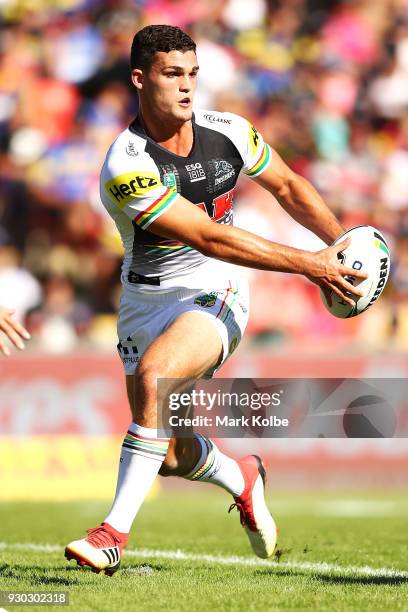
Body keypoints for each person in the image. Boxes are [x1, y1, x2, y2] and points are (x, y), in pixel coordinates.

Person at [65, 25, 366, 575]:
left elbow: (290, 188)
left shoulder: (228, 130)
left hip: (216, 288)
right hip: (144, 304)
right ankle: (241, 476)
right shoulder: (126, 165)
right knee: (169, 454)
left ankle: (111, 534)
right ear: (140, 78)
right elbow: (206, 232)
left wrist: (340, 248)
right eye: (171, 74)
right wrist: (311, 266)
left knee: (157, 378)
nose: (186, 87)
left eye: (193, 74)